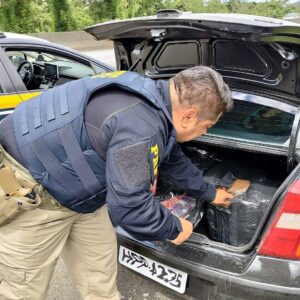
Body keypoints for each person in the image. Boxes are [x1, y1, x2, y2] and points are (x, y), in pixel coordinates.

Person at [0, 66, 233, 300]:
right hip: (35, 202)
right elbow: (131, 207)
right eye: (206, 127)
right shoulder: (139, 128)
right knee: (22, 290)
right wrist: (173, 228)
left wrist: (210, 193)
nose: (203, 133)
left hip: (83, 198)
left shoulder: (152, 99)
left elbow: (171, 158)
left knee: (99, 271)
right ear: (189, 115)